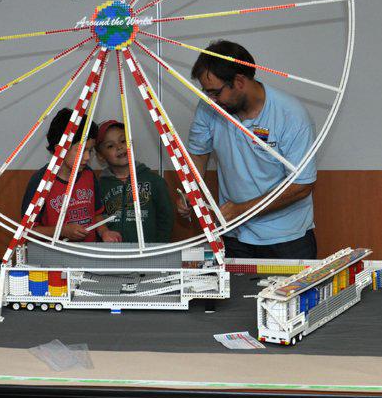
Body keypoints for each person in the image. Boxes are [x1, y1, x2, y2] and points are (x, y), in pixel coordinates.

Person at [177, 40, 317, 259]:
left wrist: (242, 210)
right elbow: (199, 153)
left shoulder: (291, 116)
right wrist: (190, 189)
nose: (211, 99)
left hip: (287, 238)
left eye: (215, 92)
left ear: (240, 81)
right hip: (235, 234)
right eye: (206, 93)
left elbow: (301, 186)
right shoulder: (209, 107)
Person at [21, 108, 122, 243]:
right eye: (81, 151)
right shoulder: (41, 182)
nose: (87, 157)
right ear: (59, 150)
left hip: (88, 252)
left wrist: (104, 232)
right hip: (56, 255)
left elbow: (96, 214)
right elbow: (28, 231)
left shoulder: (88, 174)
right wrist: (61, 231)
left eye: (90, 150)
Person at [94, 119, 174, 243]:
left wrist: (159, 246)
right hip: (112, 252)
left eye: (123, 141)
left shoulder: (154, 181)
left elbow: (166, 218)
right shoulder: (98, 186)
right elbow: (95, 219)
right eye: (110, 146)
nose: (119, 147)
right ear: (100, 156)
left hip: (149, 251)